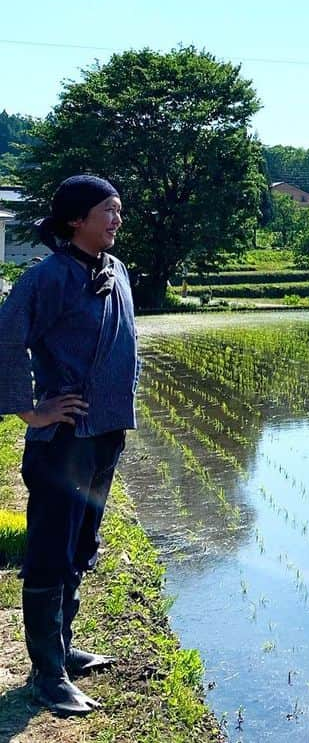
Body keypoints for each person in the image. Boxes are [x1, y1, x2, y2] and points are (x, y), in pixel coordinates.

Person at [0, 175, 139, 716]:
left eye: (119, 210)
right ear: (76, 219)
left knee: (82, 545)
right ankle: (46, 673)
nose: (117, 219)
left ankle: (62, 648)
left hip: (105, 433)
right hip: (63, 439)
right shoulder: (48, 277)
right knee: (50, 551)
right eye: (108, 210)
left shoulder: (116, 271)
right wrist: (31, 409)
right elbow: (6, 339)